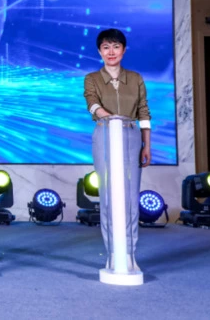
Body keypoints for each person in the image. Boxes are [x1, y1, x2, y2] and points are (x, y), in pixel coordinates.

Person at [83, 28, 151, 270]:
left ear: (123, 50)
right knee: (109, 196)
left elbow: (143, 112)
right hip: (104, 133)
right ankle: (113, 252)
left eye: (116, 47)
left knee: (130, 197)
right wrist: (111, 118)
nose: (111, 52)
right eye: (106, 47)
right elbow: (92, 103)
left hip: (131, 136)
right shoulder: (92, 78)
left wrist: (146, 144)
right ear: (99, 51)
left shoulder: (135, 78)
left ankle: (130, 253)